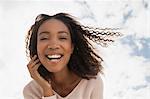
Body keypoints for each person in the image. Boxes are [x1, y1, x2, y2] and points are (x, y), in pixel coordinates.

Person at [23, 13, 120, 99]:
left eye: (62, 37)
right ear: (36, 47)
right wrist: (46, 90)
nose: (53, 45)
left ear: (72, 47)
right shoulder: (31, 91)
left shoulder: (92, 82)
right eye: (44, 38)